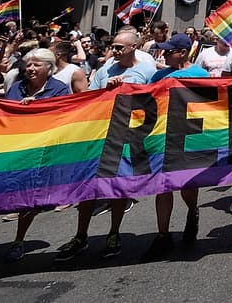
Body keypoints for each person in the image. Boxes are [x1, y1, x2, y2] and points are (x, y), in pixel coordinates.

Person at [55, 29, 157, 262]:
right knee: (89, 186)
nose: (115, 51)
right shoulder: (105, 70)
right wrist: (107, 91)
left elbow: (153, 101)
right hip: (100, 134)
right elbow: (90, 98)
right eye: (113, 46)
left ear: (133, 48)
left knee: (118, 186)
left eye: (120, 47)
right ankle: (80, 236)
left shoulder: (147, 71)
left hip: (128, 136)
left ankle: (114, 233)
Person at [0, 49, 70, 263]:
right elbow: (3, 114)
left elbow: (63, 118)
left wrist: (36, 108)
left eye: (36, 65)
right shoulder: (16, 87)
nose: (30, 69)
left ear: (49, 68)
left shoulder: (59, 89)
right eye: (28, 65)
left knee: (27, 200)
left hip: (37, 155)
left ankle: (18, 241)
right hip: (9, 152)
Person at [142, 34, 211, 260]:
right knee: (163, 185)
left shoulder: (200, 75)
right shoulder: (158, 76)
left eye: (169, 51)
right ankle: (163, 235)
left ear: (182, 52)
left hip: (189, 136)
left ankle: (192, 211)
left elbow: (210, 105)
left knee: (187, 183)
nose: (164, 54)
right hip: (162, 136)